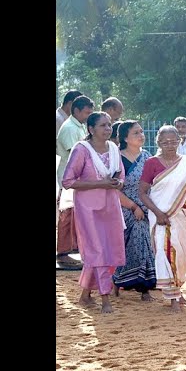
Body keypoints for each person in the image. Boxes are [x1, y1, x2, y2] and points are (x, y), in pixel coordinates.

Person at [139, 126, 186, 310]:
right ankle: (173, 297)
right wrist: (158, 213)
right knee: (165, 252)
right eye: (165, 142)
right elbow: (143, 193)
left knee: (183, 253)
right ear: (158, 143)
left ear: (179, 141)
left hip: (183, 214)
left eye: (173, 141)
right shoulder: (151, 163)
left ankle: (178, 288)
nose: (170, 145)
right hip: (160, 216)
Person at [61, 112, 126, 314]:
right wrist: (100, 184)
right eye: (102, 125)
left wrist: (117, 183)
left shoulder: (113, 148)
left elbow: (121, 176)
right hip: (88, 208)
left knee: (109, 249)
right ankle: (105, 298)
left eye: (109, 125)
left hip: (110, 206)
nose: (108, 129)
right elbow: (68, 181)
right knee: (97, 249)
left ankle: (85, 295)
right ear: (91, 129)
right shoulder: (82, 149)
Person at [111, 121, 157, 299]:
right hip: (122, 208)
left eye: (141, 132)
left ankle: (143, 287)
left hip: (145, 208)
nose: (141, 135)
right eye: (136, 133)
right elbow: (113, 189)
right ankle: (120, 280)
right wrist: (133, 206)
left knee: (144, 238)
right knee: (128, 241)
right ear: (125, 138)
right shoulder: (116, 158)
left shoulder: (148, 157)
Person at [57, 95, 96, 270]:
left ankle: (70, 250)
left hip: (76, 177)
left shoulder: (79, 126)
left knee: (73, 215)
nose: (88, 116)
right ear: (76, 110)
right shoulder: (70, 128)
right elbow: (78, 154)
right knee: (66, 216)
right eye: (87, 113)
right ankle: (63, 253)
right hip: (67, 177)